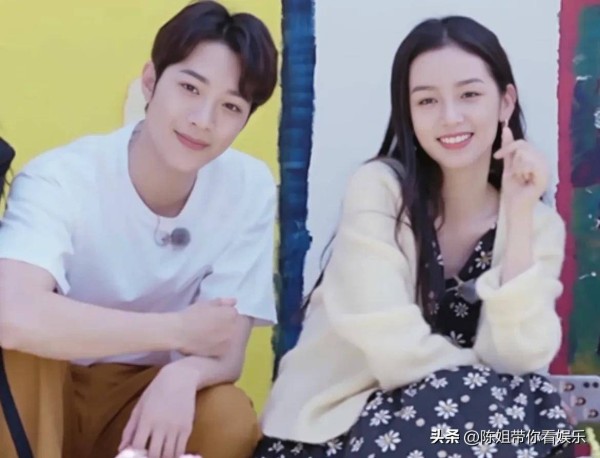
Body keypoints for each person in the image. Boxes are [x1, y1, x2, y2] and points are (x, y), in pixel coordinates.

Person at [255, 15, 572, 457]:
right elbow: (393, 346)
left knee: (546, 421)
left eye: (470, 94)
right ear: (408, 111)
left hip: (463, 428)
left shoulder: (536, 223)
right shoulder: (378, 190)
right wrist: (487, 386)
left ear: (505, 102)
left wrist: (519, 217)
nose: (450, 117)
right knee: (489, 407)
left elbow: (519, 358)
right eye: (427, 101)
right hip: (336, 428)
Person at [0, 1, 278, 457]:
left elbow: (226, 347)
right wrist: (177, 331)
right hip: (49, 383)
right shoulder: (61, 176)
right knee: (20, 353)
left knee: (228, 416)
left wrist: (183, 373)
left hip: (141, 399)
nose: (202, 119)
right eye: (189, 87)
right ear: (150, 81)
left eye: (230, 106)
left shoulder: (249, 187)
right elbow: (12, 314)